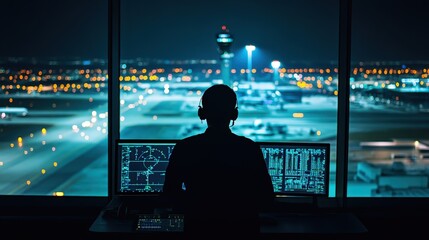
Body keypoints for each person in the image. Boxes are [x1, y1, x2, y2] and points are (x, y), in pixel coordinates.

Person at [163, 84, 274, 239]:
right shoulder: (249, 148)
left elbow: (170, 192)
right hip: (242, 229)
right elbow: (266, 197)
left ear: (201, 113)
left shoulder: (185, 147)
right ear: (234, 114)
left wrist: (196, 206)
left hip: (198, 228)